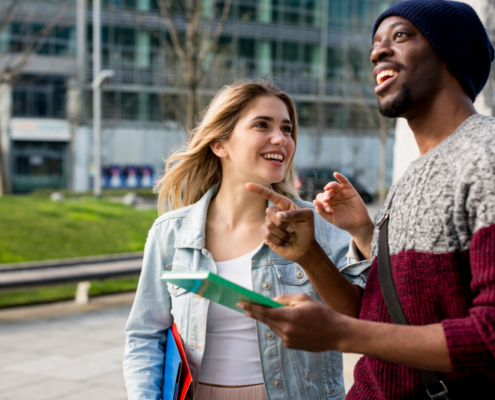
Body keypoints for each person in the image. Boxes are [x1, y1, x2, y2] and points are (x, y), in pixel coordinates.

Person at [238, 1, 495, 399]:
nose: (377, 52)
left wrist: (340, 334)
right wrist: (310, 256)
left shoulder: (487, 155)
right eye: (376, 43)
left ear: (450, 52)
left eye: (400, 36)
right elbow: (374, 317)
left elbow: (490, 338)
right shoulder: (410, 178)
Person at [123, 81, 369, 400]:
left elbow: (363, 318)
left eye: (287, 128)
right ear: (220, 144)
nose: (281, 139)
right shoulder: (169, 234)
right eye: (261, 125)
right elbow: (145, 335)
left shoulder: (315, 223)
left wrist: (363, 232)